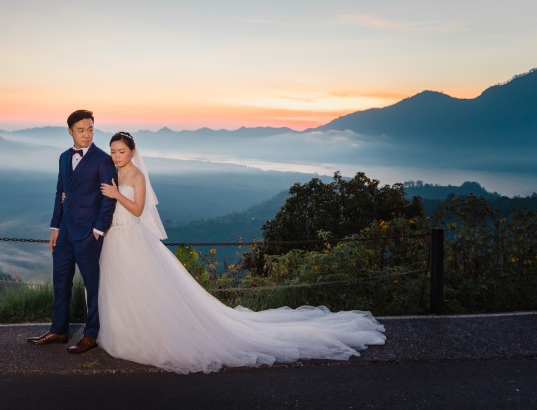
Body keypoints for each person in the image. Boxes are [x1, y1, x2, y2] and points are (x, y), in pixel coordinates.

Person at [96, 131, 386, 374]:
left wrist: (117, 194)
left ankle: (151, 336)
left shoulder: (136, 177)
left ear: (132, 152)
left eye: (121, 151)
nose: (116, 156)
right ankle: (126, 335)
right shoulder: (111, 172)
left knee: (146, 288)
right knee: (122, 289)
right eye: (112, 151)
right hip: (113, 240)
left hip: (133, 238)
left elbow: (136, 210)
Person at [27, 109, 117, 354]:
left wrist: (98, 230)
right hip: (64, 232)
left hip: (89, 234)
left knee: (92, 285)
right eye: (81, 130)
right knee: (61, 280)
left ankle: (91, 334)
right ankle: (59, 330)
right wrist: (55, 226)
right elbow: (60, 192)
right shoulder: (64, 158)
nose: (86, 134)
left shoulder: (103, 160)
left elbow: (108, 199)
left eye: (90, 129)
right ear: (70, 132)